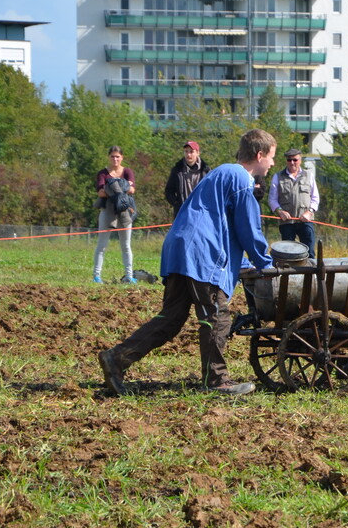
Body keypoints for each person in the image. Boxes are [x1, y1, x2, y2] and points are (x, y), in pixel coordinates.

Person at [98, 129, 278, 397]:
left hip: (180, 247)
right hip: (201, 252)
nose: (272, 164)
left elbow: (224, 224)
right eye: (271, 157)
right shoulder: (241, 178)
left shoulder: (220, 172)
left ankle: (117, 358)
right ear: (259, 154)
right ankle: (216, 380)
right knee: (216, 316)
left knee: (171, 318)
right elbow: (249, 229)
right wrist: (267, 264)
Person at [92, 146, 137, 284]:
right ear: (108, 157)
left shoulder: (127, 171)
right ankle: (96, 276)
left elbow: (132, 189)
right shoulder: (103, 173)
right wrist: (120, 189)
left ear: (122, 157)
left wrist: (112, 187)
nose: (115, 159)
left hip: (124, 210)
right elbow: (100, 192)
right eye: (112, 156)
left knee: (126, 245)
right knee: (102, 245)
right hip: (107, 210)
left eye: (117, 156)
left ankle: (129, 276)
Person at [268, 148, 319, 259]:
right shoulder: (277, 177)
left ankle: (310, 275)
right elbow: (272, 199)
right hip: (286, 222)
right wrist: (279, 211)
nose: (292, 162)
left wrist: (309, 212)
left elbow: (315, 198)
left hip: (305, 220)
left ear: (300, 160)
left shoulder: (309, 175)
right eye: (289, 160)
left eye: (295, 160)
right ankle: (290, 276)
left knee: (309, 251)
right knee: (288, 253)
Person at [164, 140, 209, 219]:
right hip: (182, 213)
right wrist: (176, 203)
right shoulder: (177, 170)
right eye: (186, 151)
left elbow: (211, 192)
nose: (188, 154)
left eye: (191, 152)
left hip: (201, 214)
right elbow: (169, 191)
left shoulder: (206, 171)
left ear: (198, 153)